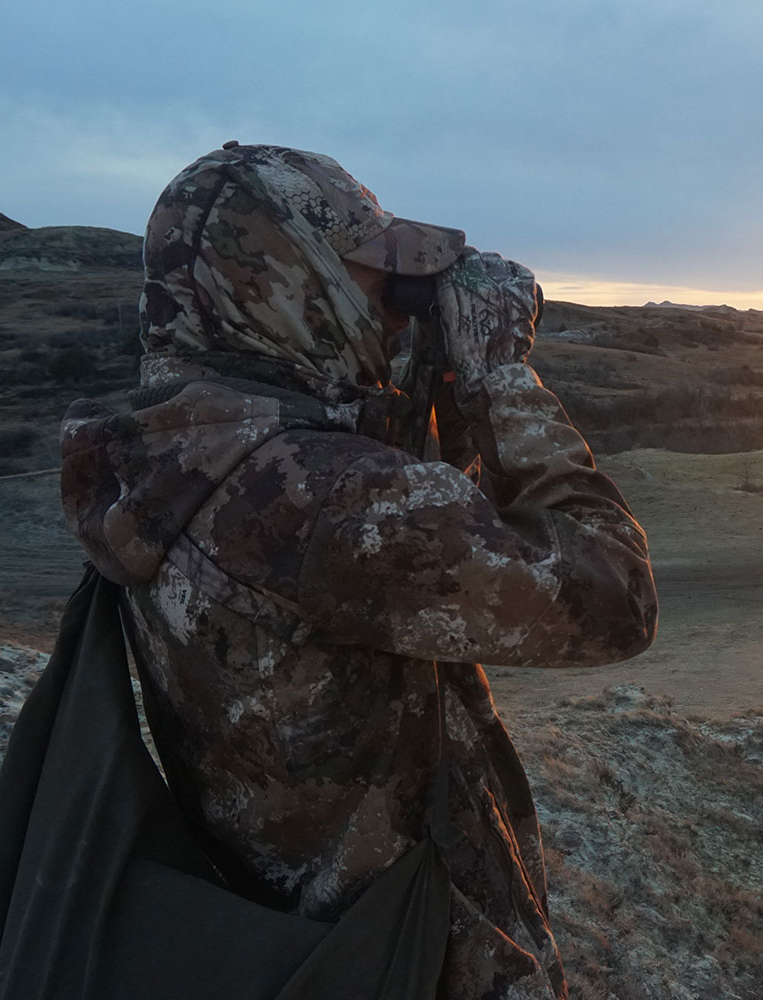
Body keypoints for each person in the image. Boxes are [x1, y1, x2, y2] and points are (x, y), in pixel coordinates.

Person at [58, 143, 658, 998]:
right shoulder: (324, 504)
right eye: (376, 275)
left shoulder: (171, 448)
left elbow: (404, 517)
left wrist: (412, 373)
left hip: (298, 934)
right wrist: (500, 377)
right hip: (414, 954)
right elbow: (615, 596)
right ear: (294, 287)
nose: (396, 303)